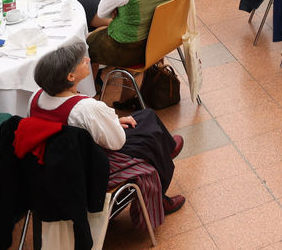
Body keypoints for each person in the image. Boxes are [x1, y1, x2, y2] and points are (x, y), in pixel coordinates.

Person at [16, 39, 184, 221]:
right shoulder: (85, 108)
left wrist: (112, 121)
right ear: (70, 77)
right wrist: (113, 123)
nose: (88, 60)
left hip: (58, 165)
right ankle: (161, 189)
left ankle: (165, 147)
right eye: (82, 61)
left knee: (144, 121)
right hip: (93, 165)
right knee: (148, 127)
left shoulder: (35, 98)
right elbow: (117, 142)